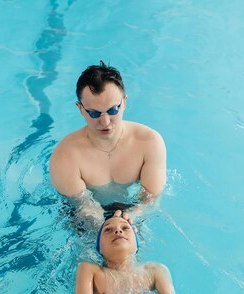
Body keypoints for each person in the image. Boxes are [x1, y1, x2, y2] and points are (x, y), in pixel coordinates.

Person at [49, 61, 167, 227]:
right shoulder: (65, 155)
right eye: (94, 113)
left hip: (129, 214)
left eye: (113, 110)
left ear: (124, 102)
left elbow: (150, 200)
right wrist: (103, 228)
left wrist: (130, 217)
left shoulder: (149, 142)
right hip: (86, 214)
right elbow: (82, 206)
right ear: (80, 109)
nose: (105, 122)